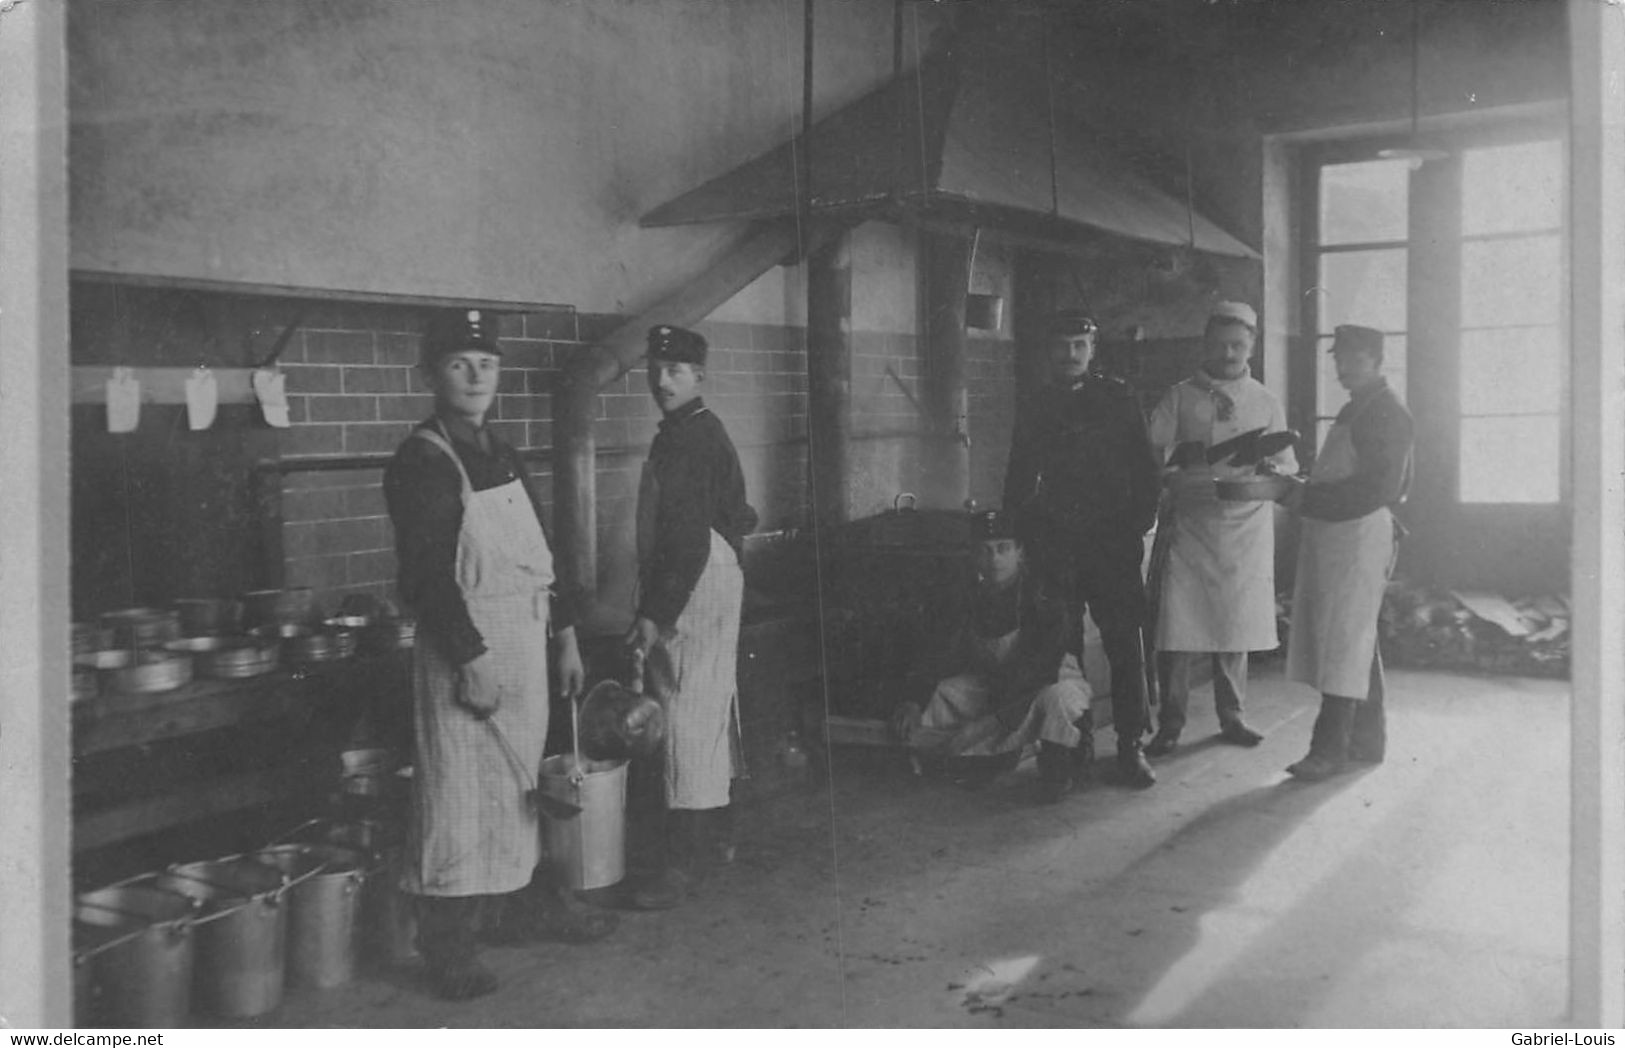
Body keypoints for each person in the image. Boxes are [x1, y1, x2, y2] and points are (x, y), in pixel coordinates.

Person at [384, 308, 615, 1001]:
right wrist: (469, 657)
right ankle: (446, 945)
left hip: (524, 636)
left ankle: (519, 906)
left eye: (486, 363)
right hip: (469, 646)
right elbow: (424, 579)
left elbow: (541, 553)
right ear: (431, 376)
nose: (476, 375)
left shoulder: (500, 451)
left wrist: (566, 635)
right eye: (459, 364)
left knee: (517, 791)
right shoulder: (423, 459)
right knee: (456, 799)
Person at [625, 323, 757, 909]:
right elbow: (742, 511)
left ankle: (681, 865)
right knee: (705, 710)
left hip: (695, 578)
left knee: (680, 715)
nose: (661, 380)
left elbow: (684, 538)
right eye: (655, 368)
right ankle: (719, 838)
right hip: (708, 574)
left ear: (699, 377)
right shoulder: (691, 431)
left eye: (674, 371)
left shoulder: (690, 439)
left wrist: (655, 613)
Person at [1004, 310, 1162, 788]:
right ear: (1049, 351)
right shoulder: (1036, 405)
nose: (1070, 354)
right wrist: (1020, 537)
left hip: (1112, 543)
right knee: (1062, 648)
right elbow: (1017, 475)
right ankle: (1076, 743)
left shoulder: (1118, 399)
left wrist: (1137, 523)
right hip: (1055, 544)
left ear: (1093, 350)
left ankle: (1132, 744)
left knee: (1124, 646)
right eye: (1062, 345)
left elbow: (1145, 468)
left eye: (1079, 345)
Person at [1144, 302, 1297, 757]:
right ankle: (1170, 722)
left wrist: (1272, 465)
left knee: (1235, 624)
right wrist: (1175, 469)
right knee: (1179, 626)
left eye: (1238, 344)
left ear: (1250, 346)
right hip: (1192, 523)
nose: (1229, 353)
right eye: (1221, 344)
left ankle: (1233, 716)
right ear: (1206, 345)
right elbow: (1153, 452)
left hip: (1244, 526)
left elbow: (1288, 465)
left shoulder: (1266, 401)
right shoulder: (1179, 396)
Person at [1283, 324, 1414, 780]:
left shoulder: (1388, 413)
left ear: (1377, 360)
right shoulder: (1356, 408)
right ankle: (1368, 739)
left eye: (1354, 358)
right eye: (1338, 357)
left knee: (1345, 644)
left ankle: (1328, 750)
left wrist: (1304, 498)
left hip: (1359, 536)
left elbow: (1379, 489)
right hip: (1337, 537)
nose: (1342, 366)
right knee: (1356, 639)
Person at [892, 509, 1094, 803]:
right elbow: (938, 650)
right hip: (995, 680)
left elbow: (1041, 667)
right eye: (985, 551)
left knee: (1055, 698)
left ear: (1020, 552)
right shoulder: (966, 594)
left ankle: (1059, 762)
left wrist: (995, 719)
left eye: (1003, 549)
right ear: (974, 556)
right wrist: (913, 700)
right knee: (944, 693)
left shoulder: (1044, 593)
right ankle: (974, 758)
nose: (995, 559)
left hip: (1046, 679)